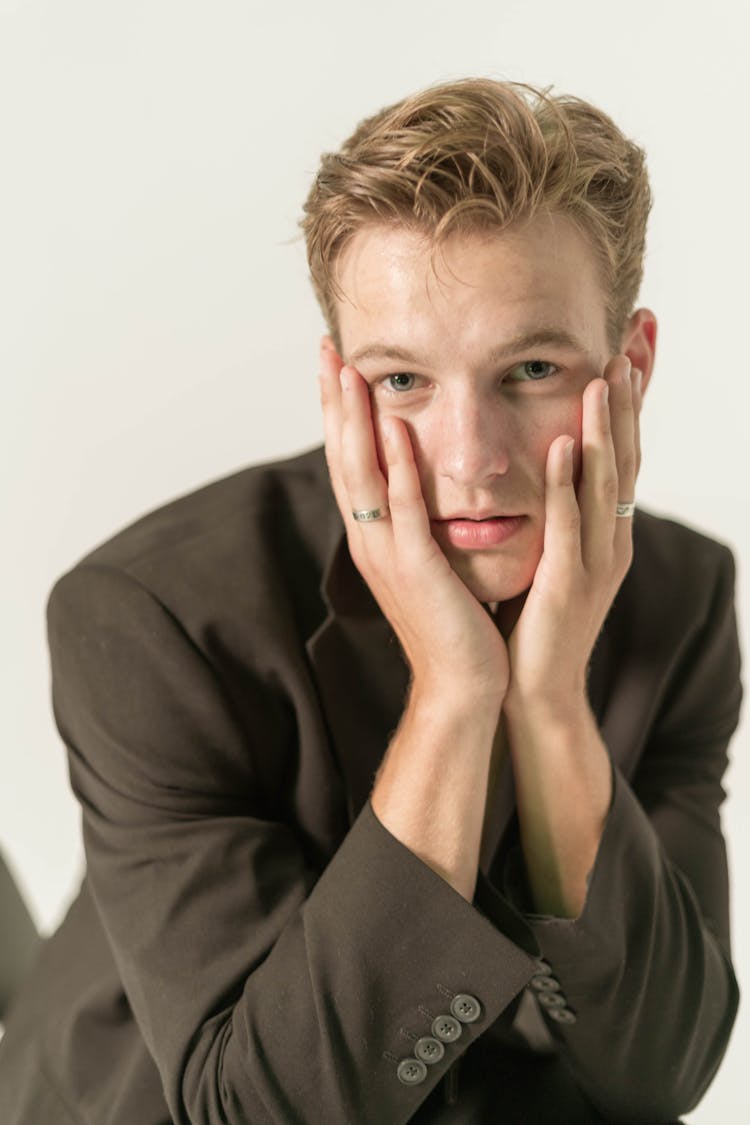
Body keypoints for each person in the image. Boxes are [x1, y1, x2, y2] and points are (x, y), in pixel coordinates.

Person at [0, 77, 742, 1125]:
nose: (472, 461)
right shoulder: (147, 614)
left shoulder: (686, 598)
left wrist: (547, 705)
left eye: (531, 368)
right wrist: (454, 693)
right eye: (404, 381)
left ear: (631, 367)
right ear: (340, 386)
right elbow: (255, 1112)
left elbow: (660, 1070)